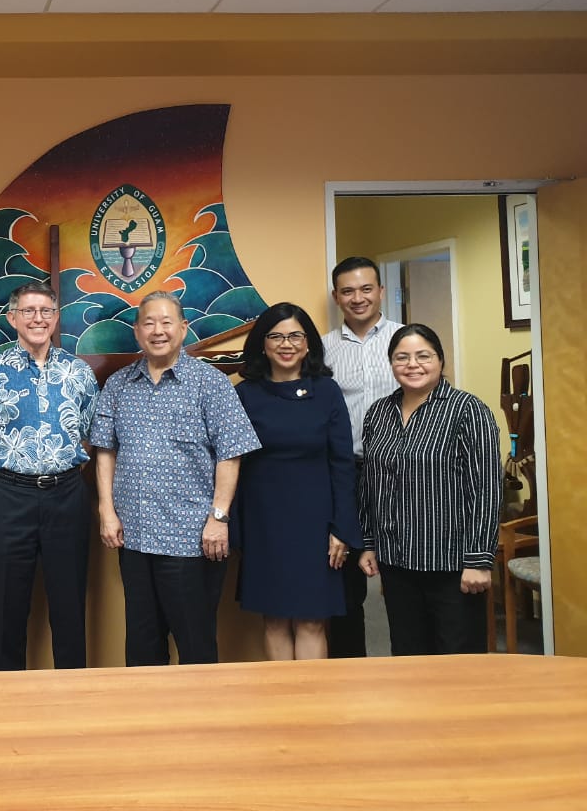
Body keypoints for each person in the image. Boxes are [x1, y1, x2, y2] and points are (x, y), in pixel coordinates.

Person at [91, 290, 260, 666]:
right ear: (137, 332)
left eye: (166, 322)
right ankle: (147, 723)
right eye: (149, 323)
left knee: (195, 642)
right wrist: (106, 510)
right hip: (133, 537)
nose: (158, 331)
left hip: (191, 539)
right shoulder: (118, 385)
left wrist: (219, 518)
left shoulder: (210, 383)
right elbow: (105, 450)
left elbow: (231, 454)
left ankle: (198, 723)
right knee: (142, 642)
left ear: (183, 329)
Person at [0, 281, 98, 670]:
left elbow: (88, 439)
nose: (38, 319)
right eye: (29, 311)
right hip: (8, 497)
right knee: (7, 607)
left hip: (67, 496)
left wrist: (61, 472)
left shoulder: (79, 373)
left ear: (56, 319)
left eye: (46, 311)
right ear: (12, 318)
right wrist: (10, 483)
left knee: (70, 606)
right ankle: (6, 704)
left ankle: (73, 699)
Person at [357, 323, 502, 655]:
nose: (413, 364)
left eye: (423, 356)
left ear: (440, 360)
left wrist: (479, 560)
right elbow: (369, 483)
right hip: (397, 562)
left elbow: (486, 489)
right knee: (408, 656)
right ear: (391, 363)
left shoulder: (468, 410)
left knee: (457, 660)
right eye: (402, 357)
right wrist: (367, 542)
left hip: (452, 565)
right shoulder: (379, 414)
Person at [233, 302, 362, 661]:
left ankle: (312, 708)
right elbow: (232, 464)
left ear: (308, 344)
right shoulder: (245, 394)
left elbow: (342, 464)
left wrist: (342, 529)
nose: (285, 343)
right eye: (276, 335)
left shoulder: (327, 391)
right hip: (264, 523)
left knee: (311, 621)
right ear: (262, 343)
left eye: (295, 335)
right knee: (274, 619)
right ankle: (281, 709)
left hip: (316, 522)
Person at [320, 255, 402, 658]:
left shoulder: (407, 342)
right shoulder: (322, 348)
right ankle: (350, 672)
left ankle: (414, 668)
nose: (358, 298)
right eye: (348, 291)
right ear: (336, 297)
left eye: (366, 289)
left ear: (381, 291)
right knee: (347, 580)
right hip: (349, 471)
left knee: (405, 571)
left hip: (403, 472)